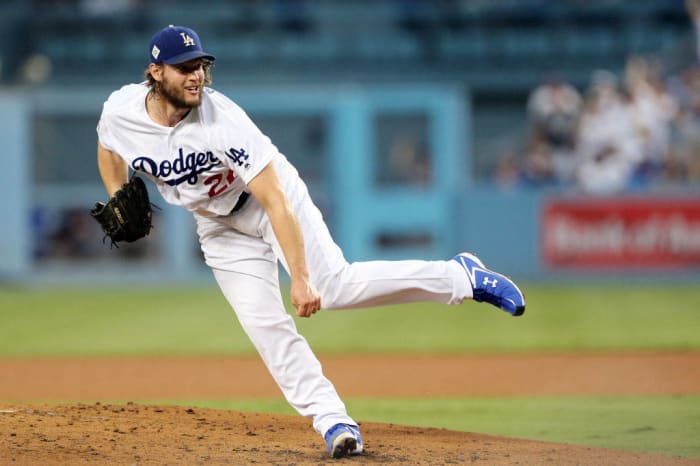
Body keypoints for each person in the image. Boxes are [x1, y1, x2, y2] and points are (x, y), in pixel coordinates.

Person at [95, 25, 526, 459]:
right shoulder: (121, 110)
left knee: (334, 286)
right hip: (216, 225)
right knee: (265, 326)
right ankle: (333, 421)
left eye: (201, 66)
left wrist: (300, 278)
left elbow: (275, 201)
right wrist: (116, 193)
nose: (197, 76)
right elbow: (109, 144)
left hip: (267, 200)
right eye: (185, 68)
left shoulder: (221, 119)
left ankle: (459, 276)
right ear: (155, 72)